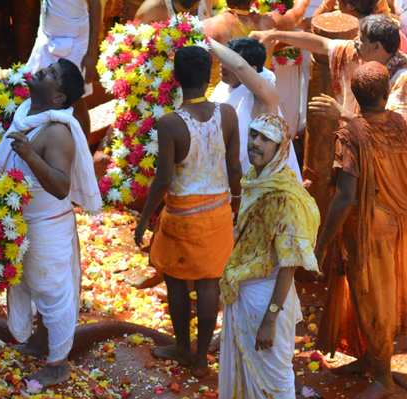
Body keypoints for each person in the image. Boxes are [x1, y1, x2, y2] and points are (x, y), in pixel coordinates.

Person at [0, 60, 103, 388]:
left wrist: (31, 156)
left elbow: (62, 186)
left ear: (58, 99)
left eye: (51, 75)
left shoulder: (57, 132)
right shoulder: (25, 111)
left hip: (47, 225)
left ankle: (58, 364)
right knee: (29, 285)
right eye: (47, 68)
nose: (43, 72)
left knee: (50, 290)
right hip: (22, 220)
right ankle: (39, 343)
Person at [219, 115, 319, 399]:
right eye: (253, 135)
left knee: (274, 382)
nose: (255, 143)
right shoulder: (257, 181)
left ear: (281, 149)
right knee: (248, 374)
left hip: (266, 299)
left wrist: (270, 319)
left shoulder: (286, 196)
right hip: (246, 293)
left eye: (265, 139)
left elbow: (288, 264)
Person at [135, 46, 243, 378]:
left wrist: (143, 220)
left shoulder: (170, 124)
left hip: (182, 215)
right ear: (210, 75)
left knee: (177, 283)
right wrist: (235, 205)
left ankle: (183, 348)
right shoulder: (227, 114)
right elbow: (235, 168)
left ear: (177, 79)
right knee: (210, 284)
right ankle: (201, 360)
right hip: (218, 212)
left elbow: (164, 179)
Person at [316, 62, 407, 399]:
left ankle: (383, 378)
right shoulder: (400, 123)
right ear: (386, 93)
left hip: (368, 229)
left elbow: (344, 196)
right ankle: (371, 359)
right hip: (398, 222)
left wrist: (322, 242)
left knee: (374, 300)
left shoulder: (350, 134)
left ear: (355, 97)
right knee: (372, 295)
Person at [254, 15, 407, 117]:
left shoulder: (402, 78)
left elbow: (392, 130)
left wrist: (342, 113)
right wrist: (275, 34)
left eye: (362, 39)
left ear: (377, 47)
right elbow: (321, 44)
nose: (355, 40)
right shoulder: (365, 53)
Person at [208, 37, 304, 176]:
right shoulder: (224, 86)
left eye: (229, 62)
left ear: (251, 71)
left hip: (260, 179)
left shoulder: (265, 94)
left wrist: (202, 35)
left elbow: (240, 66)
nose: (222, 65)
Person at [23, 0, 102, 133]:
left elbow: (95, 6)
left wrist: (92, 52)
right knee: (38, 89)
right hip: (46, 36)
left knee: (75, 100)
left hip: (75, 42)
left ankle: (84, 151)